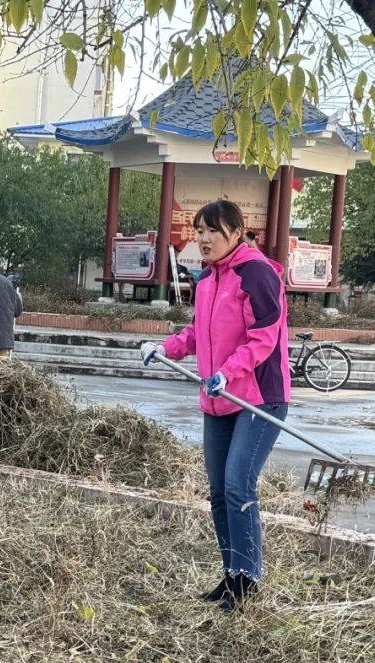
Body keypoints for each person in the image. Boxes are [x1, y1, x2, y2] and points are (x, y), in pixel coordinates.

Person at [141, 200, 289, 612]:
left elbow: (264, 337)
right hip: (217, 399)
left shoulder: (256, 273)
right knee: (219, 493)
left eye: (213, 231)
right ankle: (231, 575)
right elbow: (197, 333)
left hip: (258, 397)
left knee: (239, 485)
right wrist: (165, 347)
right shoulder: (207, 278)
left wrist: (228, 370)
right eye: (199, 230)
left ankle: (248, 579)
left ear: (236, 233)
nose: (203, 239)